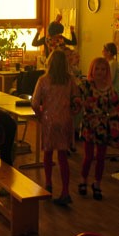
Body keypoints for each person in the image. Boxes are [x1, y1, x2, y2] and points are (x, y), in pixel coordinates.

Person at [31, 50, 81, 206]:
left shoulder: (43, 80)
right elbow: (77, 100)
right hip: (65, 120)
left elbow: (34, 102)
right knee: (62, 157)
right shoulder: (70, 80)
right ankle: (65, 191)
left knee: (47, 153)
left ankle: (48, 184)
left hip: (49, 121)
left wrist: (40, 115)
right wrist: (72, 112)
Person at [78, 57, 119, 201]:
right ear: (92, 70)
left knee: (101, 157)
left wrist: (116, 132)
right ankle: (83, 180)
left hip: (103, 126)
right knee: (89, 156)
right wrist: (82, 104)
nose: (100, 72)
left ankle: (97, 183)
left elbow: (115, 111)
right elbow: (75, 98)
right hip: (89, 125)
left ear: (107, 72)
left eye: (103, 69)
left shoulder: (110, 91)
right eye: (97, 69)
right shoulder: (86, 86)